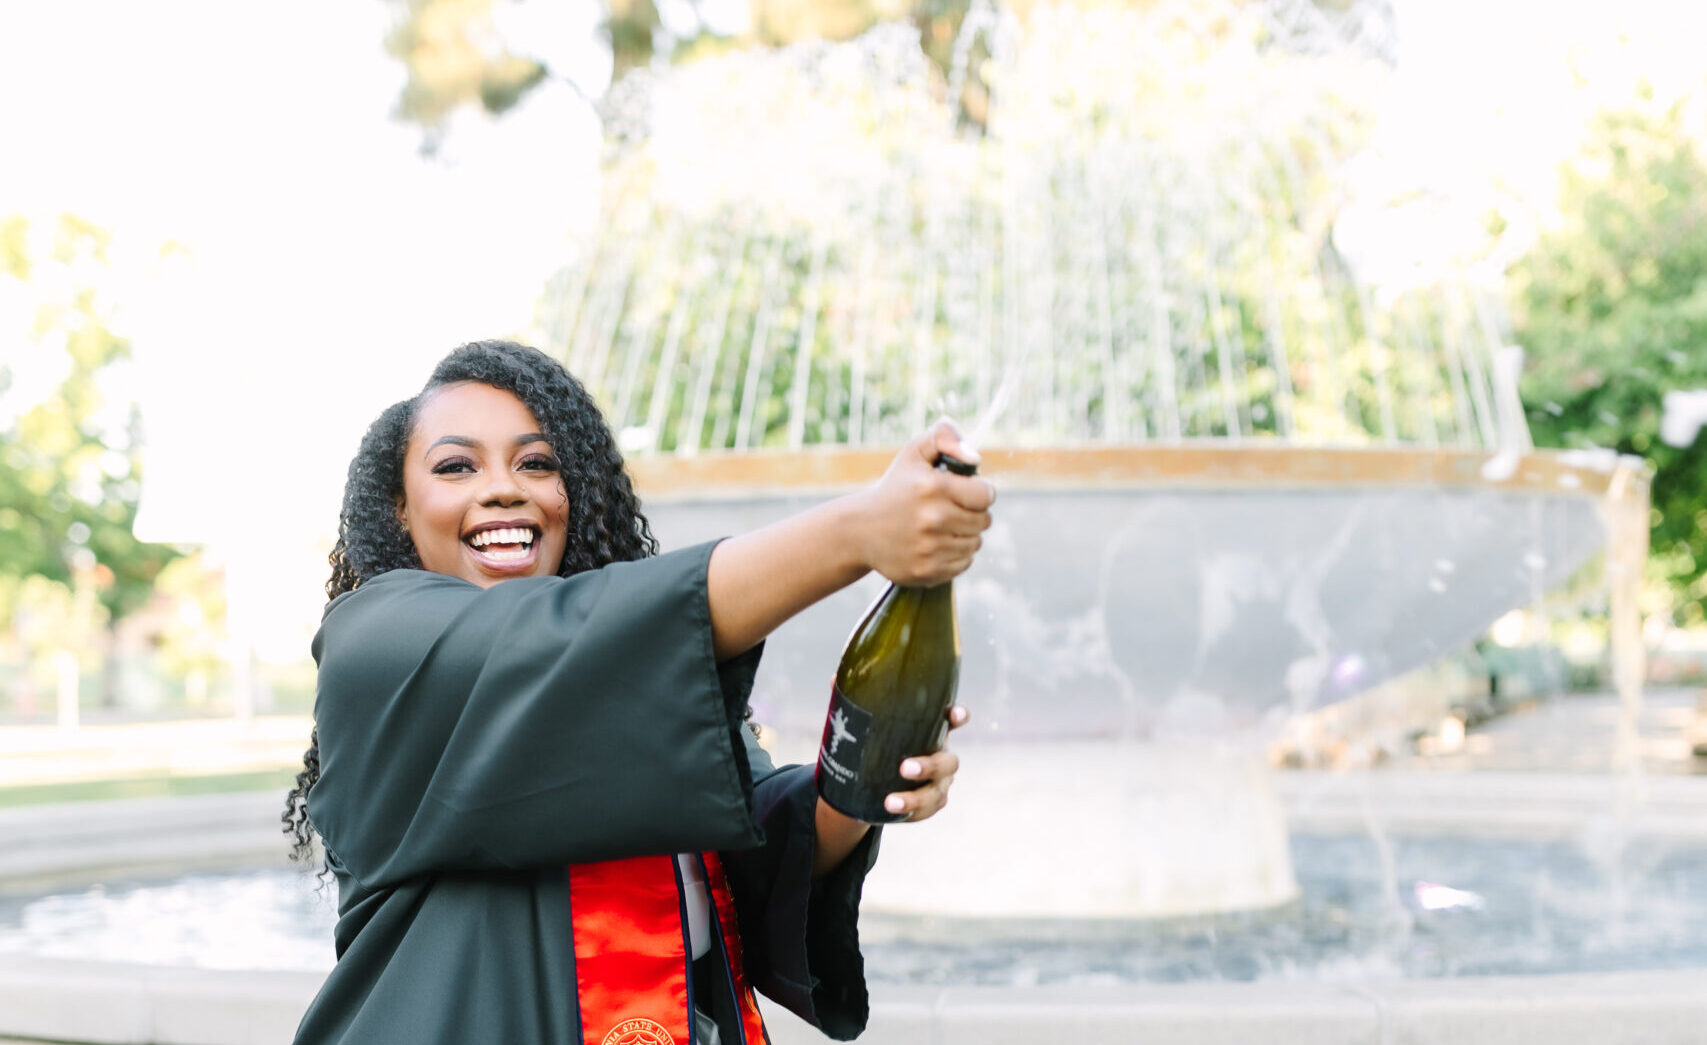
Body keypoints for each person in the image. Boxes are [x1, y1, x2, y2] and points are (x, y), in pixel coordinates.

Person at [280, 340, 995, 1045]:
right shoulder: (377, 645)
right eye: (455, 465)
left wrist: (861, 780)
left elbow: (759, 852)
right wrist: (858, 531)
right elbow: (555, 641)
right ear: (400, 508)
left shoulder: (645, 673)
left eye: (537, 463)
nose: (502, 487)